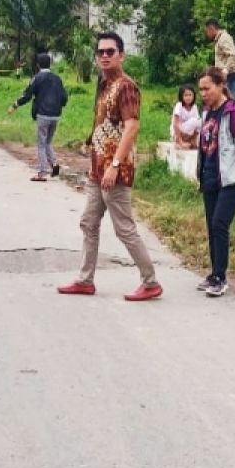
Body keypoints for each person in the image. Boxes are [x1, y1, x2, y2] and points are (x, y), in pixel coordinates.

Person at [57, 32, 163, 302]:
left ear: (122, 55)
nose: (105, 55)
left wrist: (115, 164)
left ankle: (150, 282)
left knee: (124, 228)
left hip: (115, 170)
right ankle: (85, 280)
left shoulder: (126, 86)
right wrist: (89, 143)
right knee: (89, 222)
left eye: (110, 51)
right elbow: (104, 122)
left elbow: (132, 126)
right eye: (100, 52)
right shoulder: (103, 84)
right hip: (97, 169)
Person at [195, 67, 235, 297]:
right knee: (211, 227)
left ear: (221, 85)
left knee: (220, 225)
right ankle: (213, 273)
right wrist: (200, 175)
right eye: (200, 89)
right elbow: (204, 148)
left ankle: (221, 277)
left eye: (207, 88)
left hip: (231, 180)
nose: (203, 93)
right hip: (211, 178)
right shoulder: (206, 113)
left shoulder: (233, 113)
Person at [8, 52, 69, 181]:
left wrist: (15, 105)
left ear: (37, 65)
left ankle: (41, 173)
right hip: (56, 115)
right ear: (50, 64)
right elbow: (64, 97)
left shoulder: (37, 78)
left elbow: (27, 95)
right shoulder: (57, 78)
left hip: (43, 115)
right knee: (48, 142)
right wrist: (58, 106)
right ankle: (55, 164)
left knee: (41, 144)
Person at [204, 19, 235, 99]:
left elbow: (233, 55)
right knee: (225, 102)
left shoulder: (224, 38)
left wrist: (225, 71)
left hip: (231, 77)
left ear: (211, 28)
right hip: (227, 77)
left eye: (207, 31)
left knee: (229, 103)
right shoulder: (219, 39)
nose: (207, 34)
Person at [171, 84, 201, 150]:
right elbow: (175, 124)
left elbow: (198, 124)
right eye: (186, 95)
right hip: (178, 132)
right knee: (194, 121)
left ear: (193, 96)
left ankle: (192, 140)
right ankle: (179, 142)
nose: (188, 97)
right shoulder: (179, 105)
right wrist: (180, 141)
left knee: (201, 121)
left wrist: (194, 136)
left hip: (189, 133)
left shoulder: (194, 107)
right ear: (182, 96)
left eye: (190, 95)